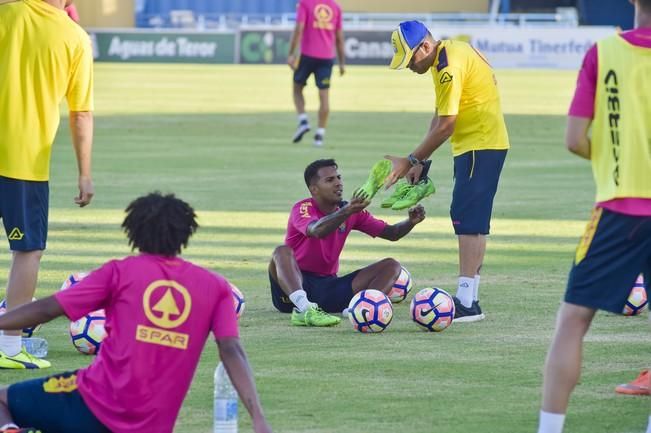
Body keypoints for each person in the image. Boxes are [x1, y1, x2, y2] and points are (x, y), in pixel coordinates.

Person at [0, 193, 272, 433]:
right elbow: (231, 350)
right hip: (153, 424)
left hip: (91, 403)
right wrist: (258, 416)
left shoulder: (120, 272)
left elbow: (47, 308)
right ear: (186, 234)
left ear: (133, 231)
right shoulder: (215, 287)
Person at [537, 0, 651, 431]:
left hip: (620, 207)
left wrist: (613, 161)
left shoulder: (603, 53)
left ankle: (550, 428)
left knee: (573, 319)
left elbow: (574, 138)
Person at [384, 20, 510, 323]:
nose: (409, 68)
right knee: (470, 217)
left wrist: (410, 160)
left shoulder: (447, 66)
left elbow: (446, 125)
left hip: (479, 143)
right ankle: (469, 297)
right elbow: (441, 113)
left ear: (425, 47)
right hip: (479, 144)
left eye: (410, 59)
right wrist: (421, 162)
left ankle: (467, 301)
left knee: (468, 219)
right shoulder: (447, 55)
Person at [0, 0, 95, 369]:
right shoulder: (74, 37)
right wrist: (84, 173)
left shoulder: (6, 13)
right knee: (27, 251)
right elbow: (81, 113)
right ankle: (8, 346)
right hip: (25, 160)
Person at [269, 159, 426, 326]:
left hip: (327, 288)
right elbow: (317, 231)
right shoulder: (303, 208)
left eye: (338, 177)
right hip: (292, 288)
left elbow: (393, 233)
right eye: (330, 180)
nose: (338, 183)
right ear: (314, 189)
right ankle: (304, 308)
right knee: (281, 251)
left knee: (392, 266)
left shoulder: (351, 211)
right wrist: (348, 210)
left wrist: (410, 222)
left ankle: (359, 310)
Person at [287, 0, 345, 147]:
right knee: (324, 96)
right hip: (327, 58)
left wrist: (292, 54)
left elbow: (299, 29)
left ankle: (303, 120)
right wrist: (342, 63)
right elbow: (339, 38)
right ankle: (319, 135)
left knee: (297, 88)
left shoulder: (305, 4)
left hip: (307, 55)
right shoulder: (335, 7)